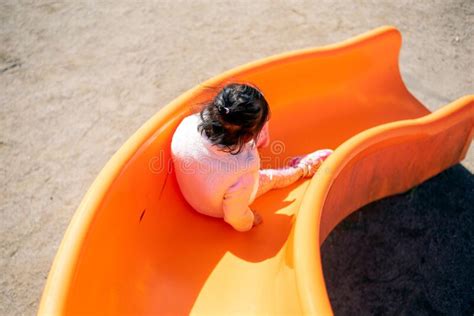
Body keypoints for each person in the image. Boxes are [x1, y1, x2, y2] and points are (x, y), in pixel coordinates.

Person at [171, 83, 333, 232]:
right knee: (272, 179)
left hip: (195, 187)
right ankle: (301, 169)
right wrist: (248, 221)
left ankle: (259, 129)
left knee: (256, 112)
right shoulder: (244, 171)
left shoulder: (189, 123)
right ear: (248, 137)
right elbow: (235, 214)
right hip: (212, 207)